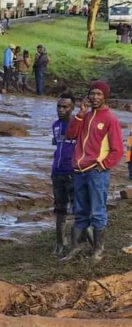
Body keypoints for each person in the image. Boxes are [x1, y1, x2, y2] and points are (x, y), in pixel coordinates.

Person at [62, 81, 123, 263]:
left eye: (99, 94)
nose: (95, 97)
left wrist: (103, 165)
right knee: (80, 211)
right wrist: (80, 115)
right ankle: (77, 248)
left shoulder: (110, 119)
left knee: (97, 211)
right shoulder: (86, 116)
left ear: (105, 96)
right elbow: (70, 135)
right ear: (88, 96)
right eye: (92, 93)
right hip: (80, 171)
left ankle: (98, 251)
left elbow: (117, 149)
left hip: (97, 172)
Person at [51, 93, 76, 256]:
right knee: (60, 209)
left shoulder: (79, 125)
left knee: (78, 211)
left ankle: (80, 244)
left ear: (72, 108)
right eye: (59, 106)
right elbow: (56, 144)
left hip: (74, 173)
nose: (61, 110)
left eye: (65, 106)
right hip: (57, 173)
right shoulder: (55, 125)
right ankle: (60, 243)